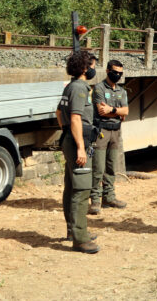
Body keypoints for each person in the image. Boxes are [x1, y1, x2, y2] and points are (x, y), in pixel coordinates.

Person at [55, 50, 100, 254]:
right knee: (81, 190)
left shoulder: (70, 87)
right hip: (77, 143)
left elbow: (58, 112)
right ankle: (80, 239)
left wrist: (65, 132)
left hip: (69, 140)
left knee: (71, 186)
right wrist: (81, 146)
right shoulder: (80, 89)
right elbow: (75, 118)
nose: (93, 68)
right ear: (84, 68)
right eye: (91, 65)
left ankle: (73, 231)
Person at [89, 59, 129, 214]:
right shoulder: (98, 88)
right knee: (98, 167)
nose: (117, 75)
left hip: (115, 132)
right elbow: (101, 111)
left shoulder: (121, 91)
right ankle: (95, 200)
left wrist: (112, 109)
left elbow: (125, 111)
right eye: (114, 72)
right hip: (101, 132)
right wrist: (117, 111)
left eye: (120, 73)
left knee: (112, 167)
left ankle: (109, 197)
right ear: (107, 71)